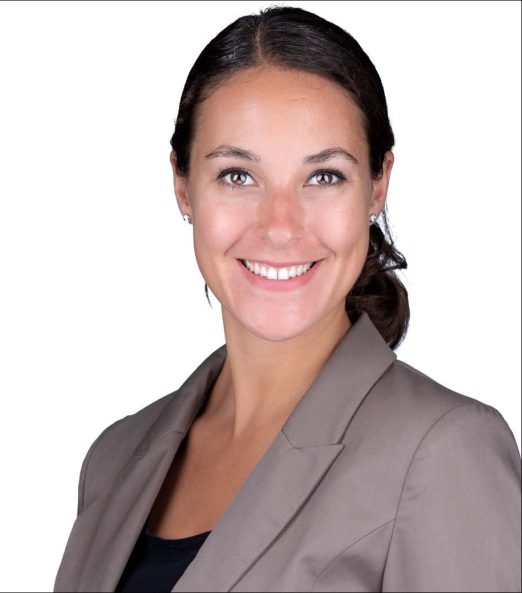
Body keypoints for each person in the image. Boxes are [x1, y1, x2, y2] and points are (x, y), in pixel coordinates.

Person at [52, 5, 522, 592]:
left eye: (324, 175)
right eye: (237, 175)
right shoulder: (114, 460)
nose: (279, 226)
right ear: (182, 183)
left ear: (378, 184)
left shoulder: (444, 451)